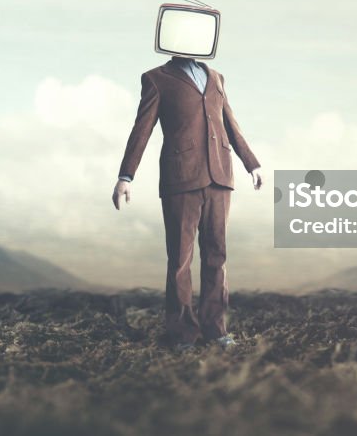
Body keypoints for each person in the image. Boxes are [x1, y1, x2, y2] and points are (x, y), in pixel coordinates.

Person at [112, 52, 262, 351]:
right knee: (180, 259)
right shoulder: (156, 79)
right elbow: (141, 128)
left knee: (217, 255)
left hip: (220, 176)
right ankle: (181, 334)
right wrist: (126, 176)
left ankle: (215, 329)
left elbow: (230, 125)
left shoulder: (217, 77)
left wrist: (252, 164)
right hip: (180, 178)